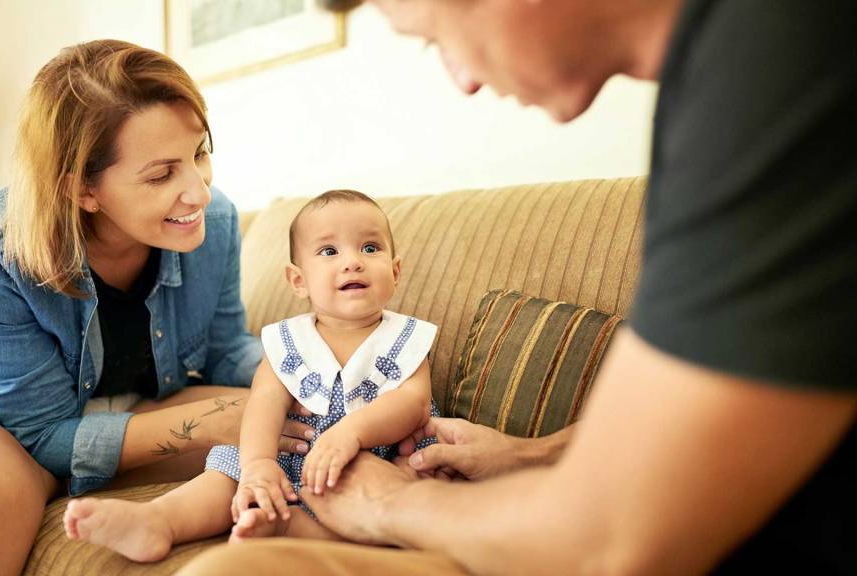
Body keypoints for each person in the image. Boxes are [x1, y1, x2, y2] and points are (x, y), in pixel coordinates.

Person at [179, 0, 857, 574]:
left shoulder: (777, 59)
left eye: (435, 37)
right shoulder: (731, 65)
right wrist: (529, 452)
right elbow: (727, 380)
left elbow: (615, 535)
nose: (463, 79)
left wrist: (388, 504)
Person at [0, 39, 315, 575]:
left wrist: (304, 370)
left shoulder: (212, 222)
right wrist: (213, 419)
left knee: (300, 427)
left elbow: (224, 349)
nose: (198, 192)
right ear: (82, 188)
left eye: (200, 152)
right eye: (161, 174)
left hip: (130, 407)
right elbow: (39, 432)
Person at [61, 189, 440, 560]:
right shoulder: (287, 342)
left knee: (408, 494)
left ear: (395, 271)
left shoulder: (404, 339)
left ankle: (288, 527)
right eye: (329, 251)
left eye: (370, 248)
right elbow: (264, 401)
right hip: (292, 456)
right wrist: (259, 465)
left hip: (375, 462)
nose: (352, 262)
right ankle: (158, 520)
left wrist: (351, 434)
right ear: (298, 281)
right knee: (228, 469)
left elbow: (413, 404)